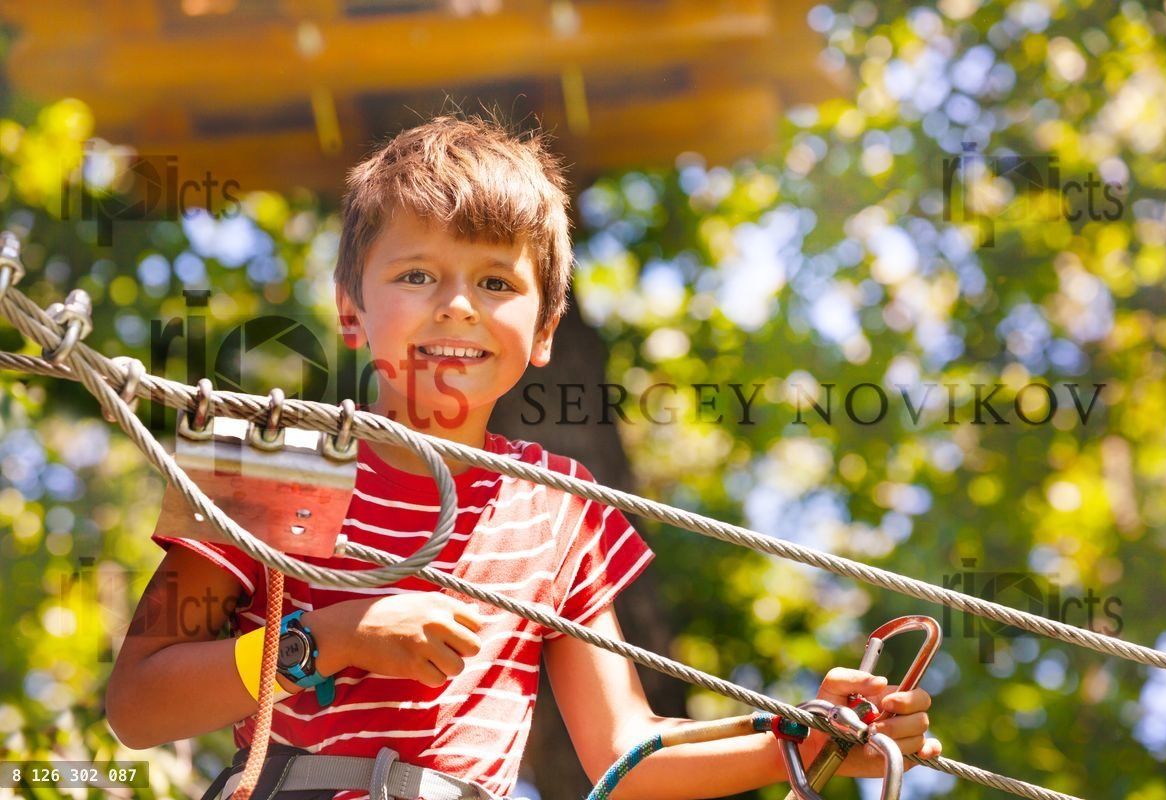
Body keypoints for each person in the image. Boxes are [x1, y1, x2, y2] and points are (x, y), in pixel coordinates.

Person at [105, 114, 940, 800]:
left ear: (544, 332)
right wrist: (333, 637)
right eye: (419, 275)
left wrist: (802, 739)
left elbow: (625, 747)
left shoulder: (559, 507)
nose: (459, 308)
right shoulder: (280, 461)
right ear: (351, 310)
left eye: (497, 284)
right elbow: (138, 706)